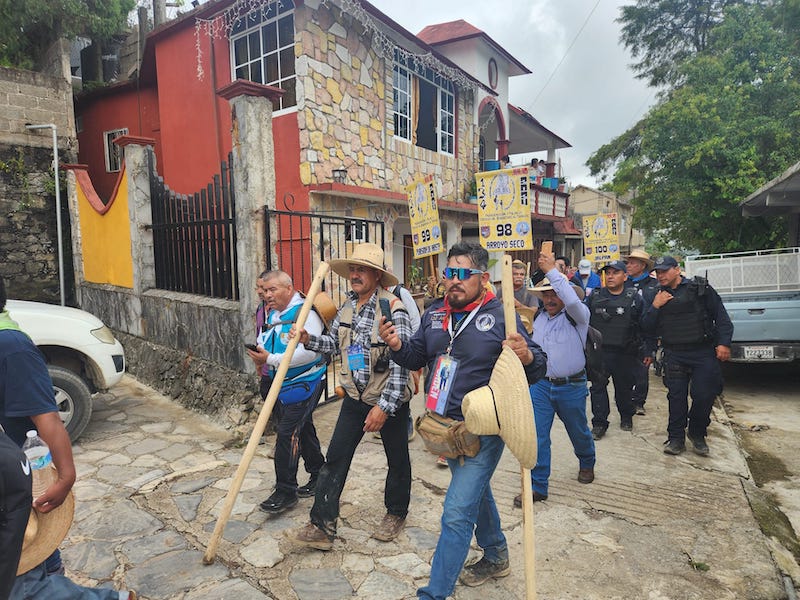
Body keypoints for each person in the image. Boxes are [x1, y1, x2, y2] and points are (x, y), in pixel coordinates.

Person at [379, 241, 546, 599]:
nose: (452, 280)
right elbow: (416, 356)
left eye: (462, 274)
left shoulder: (501, 314)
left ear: (483, 278)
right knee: (475, 493)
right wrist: (396, 345)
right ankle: (497, 555)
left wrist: (527, 355)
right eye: (448, 273)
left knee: (456, 513)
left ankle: (434, 593)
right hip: (445, 428)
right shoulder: (435, 313)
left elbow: (537, 366)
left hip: (484, 427)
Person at [286, 243, 413, 549]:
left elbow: (402, 363)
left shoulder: (393, 309)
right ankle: (322, 525)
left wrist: (383, 408)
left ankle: (396, 512)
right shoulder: (347, 306)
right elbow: (334, 344)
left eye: (362, 270)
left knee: (397, 459)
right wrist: (308, 339)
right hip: (355, 398)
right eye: (352, 270)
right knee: (335, 459)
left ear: (377, 275)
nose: (355, 275)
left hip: (389, 399)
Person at [1, 429, 137, 600]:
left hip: (13, 536)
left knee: (29, 589)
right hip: (16, 526)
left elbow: (49, 419)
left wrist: (65, 479)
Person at [0, 276, 75, 576]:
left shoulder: (11, 346)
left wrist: (66, 477)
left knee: (35, 566)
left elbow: (48, 418)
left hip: (22, 484)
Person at [516, 251, 595, 506]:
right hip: (540, 386)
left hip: (571, 386)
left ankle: (586, 461)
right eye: (546, 294)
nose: (550, 298)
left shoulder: (578, 316)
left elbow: (572, 302)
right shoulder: (538, 318)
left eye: (555, 293)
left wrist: (552, 271)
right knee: (537, 436)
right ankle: (538, 486)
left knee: (578, 430)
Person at [247, 270, 326, 514]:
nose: (267, 295)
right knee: (303, 430)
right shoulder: (274, 314)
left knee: (286, 433)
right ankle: (319, 473)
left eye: (272, 290)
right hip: (280, 384)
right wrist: (260, 355)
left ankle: (286, 490)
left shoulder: (305, 314)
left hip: (305, 382)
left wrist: (270, 358)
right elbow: (266, 340)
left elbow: (309, 352)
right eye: (265, 290)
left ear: (288, 289)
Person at [641, 256, 733, 456]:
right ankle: (675, 439)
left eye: (665, 271)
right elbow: (646, 327)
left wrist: (724, 343)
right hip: (674, 353)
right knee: (676, 398)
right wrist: (655, 306)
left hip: (702, 351)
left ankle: (697, 433)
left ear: (677, 269)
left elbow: (721, 316)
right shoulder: (656, 294)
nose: (661, 275)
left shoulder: (700, 288)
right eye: (658, 272)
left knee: (704, 395)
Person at [587, 260, 648, 440]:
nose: (611, 276)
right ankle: (599, 423)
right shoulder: (595, 296)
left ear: (625, 276)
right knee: (598, 388)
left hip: (625, 352)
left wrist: (646, 350)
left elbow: (643, 324)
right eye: (608, 273)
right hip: (600, 352)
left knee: (624, 389)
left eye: (615, 272)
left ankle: (626, 416)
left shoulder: (635, 297)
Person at [625, 249, 659, 415]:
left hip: (644, 335)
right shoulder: (624, 284)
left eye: (633, 263)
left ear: (643, 265)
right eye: (628, 262)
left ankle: (639, 401)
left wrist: (652, 344)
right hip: (624, 335)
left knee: (641, 370)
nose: (629, 266)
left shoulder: (654, 287)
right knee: (624, 371)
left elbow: (655, 316)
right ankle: (626, 399)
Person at [496, 259, 538, 333]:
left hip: (525, 329)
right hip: (505, 328)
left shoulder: (530, 292)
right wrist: (501, 303)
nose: (519, 276)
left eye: (521, 274)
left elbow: (534, 311)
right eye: (515, 274)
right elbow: (494, 309)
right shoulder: (502, 291)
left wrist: (518, 305)